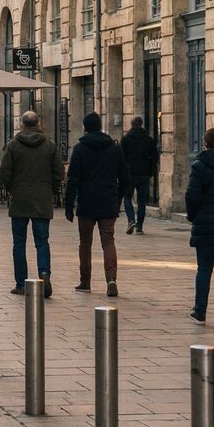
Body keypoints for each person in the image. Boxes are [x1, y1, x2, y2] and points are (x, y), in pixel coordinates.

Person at [0, 111, 64, 298]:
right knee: (42, 242)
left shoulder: (12, 146)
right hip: (42, 200)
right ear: (38, 123)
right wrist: (49, 190)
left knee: (19, 243)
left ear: (22, 124)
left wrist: (13, 190)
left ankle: (21, 284)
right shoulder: (50, 146)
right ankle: (44, 274)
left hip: (19, 200)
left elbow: (4, 174)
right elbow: (59, 173)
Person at [64, 113, 131, 297]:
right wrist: (117, 198)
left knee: (85, 243)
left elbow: (73, 179)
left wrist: (69, 205)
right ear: (101, 126)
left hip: (87, 201)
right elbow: (125, 177)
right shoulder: (114, 148)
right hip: (108, 200)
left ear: (85, 127)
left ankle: (85, 282)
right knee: (108, 241)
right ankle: (111, 280)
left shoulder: (79, 149)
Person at [186, 128, 214, 329]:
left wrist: (193, 216)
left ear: (206, 144)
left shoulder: (199, 166)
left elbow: (192, 196)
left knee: (204, 269)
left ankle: (199, 311)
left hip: (205, 224)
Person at [120, 116, 159, 235]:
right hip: (144, 174)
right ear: (142, 124)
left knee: (127, 198)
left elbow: (121, 158)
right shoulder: (149, 139)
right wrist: (151, 171)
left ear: (131, 125)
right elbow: (155, 157)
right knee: (142, 201)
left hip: (129, 174)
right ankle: (139, 227)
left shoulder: (125, 139)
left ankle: (131, 220)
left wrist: (122, 172)